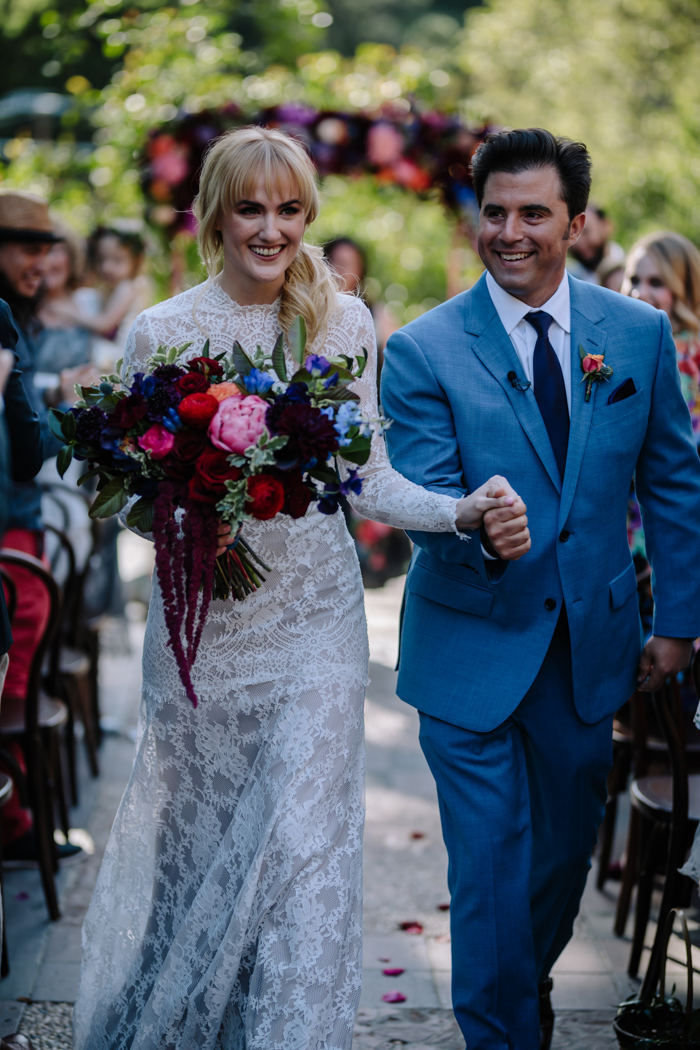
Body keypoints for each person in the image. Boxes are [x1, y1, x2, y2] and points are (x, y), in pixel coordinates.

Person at [73, 126, 514, 1050]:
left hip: (316, 619)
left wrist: (456, 512)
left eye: (289, 209)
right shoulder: (160, 331)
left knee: (309, 854)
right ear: (215, 217)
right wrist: (190, 512)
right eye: (250, 208)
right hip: (208, 634)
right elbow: (125, 501)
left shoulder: (343, 321)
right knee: (194, 862)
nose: (271, 230)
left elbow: (368, 475)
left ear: (307, 214)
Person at [381, 128, 700, 1050]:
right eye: (495, 213)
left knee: (560, 856)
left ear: (577, 222)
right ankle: (506, 1032)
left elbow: (673, 481)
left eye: (534, 213)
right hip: (469, 646)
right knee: (487, 865)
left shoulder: (636, 333)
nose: (511, 232)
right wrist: (475, 522)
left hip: (590, 652)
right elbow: (425, 495)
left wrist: (678, 621)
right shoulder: (423, 349)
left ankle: (523, 984)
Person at [0, 191, 83, 864]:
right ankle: (14, 821)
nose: (45, 262)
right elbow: (27, 453)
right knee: (14, 690)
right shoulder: (5, 323)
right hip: (11, 536)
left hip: (21, 529)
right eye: (30, 247)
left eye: (48, 247)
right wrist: (72, 413)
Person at [45, 224, 153, 369]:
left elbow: (104, 325)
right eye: (102, 260)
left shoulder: (126, 287)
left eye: (117, 260)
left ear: (136, 262)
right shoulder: (111, 289)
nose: (106, 267)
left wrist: (70, 313)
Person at [567, 201, 625, 285]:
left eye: (585, 232)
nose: (579, 242)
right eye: (570, 235)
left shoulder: (633, 273)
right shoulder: (568, 280)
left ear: (606, 226)